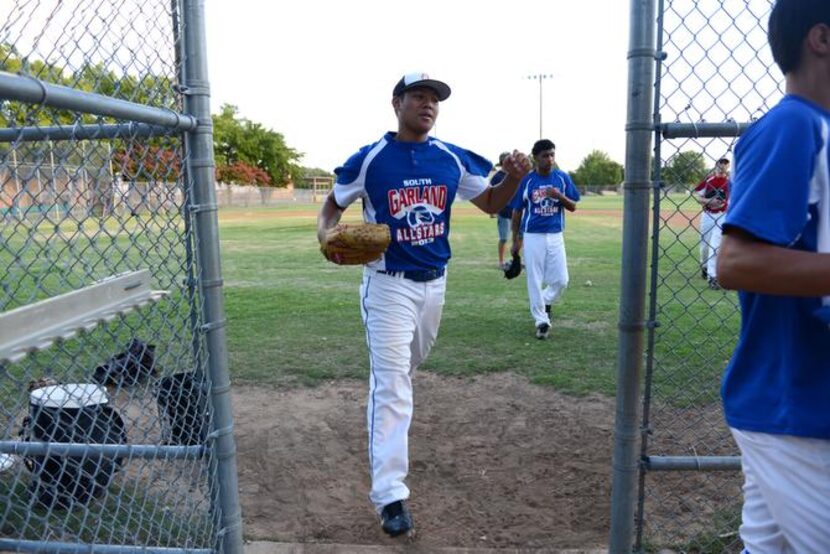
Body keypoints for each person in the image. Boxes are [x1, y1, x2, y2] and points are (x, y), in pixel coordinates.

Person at [316, 72, 532, 538]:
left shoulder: (450, 158)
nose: (428, 104)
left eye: (434, 98)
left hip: (435, 285)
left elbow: (493, 202)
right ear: (396, 103)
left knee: (406, 372)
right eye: (418, 96)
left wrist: (513, 179)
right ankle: (390, 496)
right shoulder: (372, 160)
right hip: (388, 284)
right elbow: (332, 207)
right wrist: (324, 236)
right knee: (392, 385)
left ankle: (389, 419)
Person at [716, 1, 830, 552]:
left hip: (799, 402)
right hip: (798, 405)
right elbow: (735, 262)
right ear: (821, 39)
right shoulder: (794, 123)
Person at [509, 139, 580, 339]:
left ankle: (544, 301)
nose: (549, 159)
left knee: (562, 280)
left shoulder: (562, 178)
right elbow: (517, 211)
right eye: (545, 156)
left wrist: (559, 196)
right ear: (536, 158)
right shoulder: (528, 181)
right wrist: (516, 240)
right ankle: (541, 321)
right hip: (533, 235)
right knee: (535, 279)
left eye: (552, 155)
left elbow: (573, 206)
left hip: (556, 234)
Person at [692, 157, 730, 289]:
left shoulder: (730, 182)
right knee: (705, 245)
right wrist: (709, 201)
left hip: (722, 215)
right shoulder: (709, 180)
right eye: (721, 163)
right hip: (707, 215)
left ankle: (713, 277)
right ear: (716, 165)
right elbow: (697, 196)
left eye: (725, 164)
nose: (723, 165)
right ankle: (705, 266)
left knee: (715, 245)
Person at [490, 152, 513, 269]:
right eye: (509, 160)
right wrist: (492, 210)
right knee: (504, 238)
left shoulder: (514, 175)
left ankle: (516, 260)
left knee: (519, 237)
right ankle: (501, 262)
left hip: (516, 211)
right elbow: (491, 193)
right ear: (503, 162)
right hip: (503, 212)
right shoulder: (497, 177)